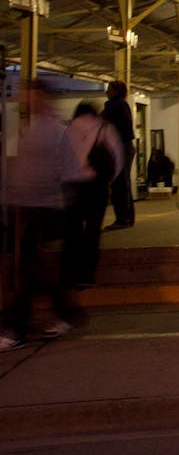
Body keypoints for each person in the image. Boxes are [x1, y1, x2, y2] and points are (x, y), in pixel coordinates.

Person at [1, 81, 90, 350]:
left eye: (31, 96)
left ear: (44, 98)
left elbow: (70, 171)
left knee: (27, 269)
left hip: (44, 208)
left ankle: (17, 327)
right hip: (26, 208)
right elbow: (14, 170)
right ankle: (67, 312)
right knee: (32, 268)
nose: (27, 101)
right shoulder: (26, 130)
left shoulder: (56, 132)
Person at [60, 102, 123, 291]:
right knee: (93, 231)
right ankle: (87, 276)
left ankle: (70, 275)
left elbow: (60, 159)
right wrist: (107, 180)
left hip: (72, 186)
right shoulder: (105, 128)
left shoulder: (68, 130)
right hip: (97, 186)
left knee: (73, 231)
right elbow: (117, 159)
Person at [102, 79, 136, 230]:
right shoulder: (121, 105)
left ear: (115, 91)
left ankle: (123, 219)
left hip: (120, 148)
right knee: (123, 184)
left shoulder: (115, 105)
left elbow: (103, 123)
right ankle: (127, 218)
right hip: (125, 147)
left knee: (119, 185)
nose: (107, 92)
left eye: (109, 89)